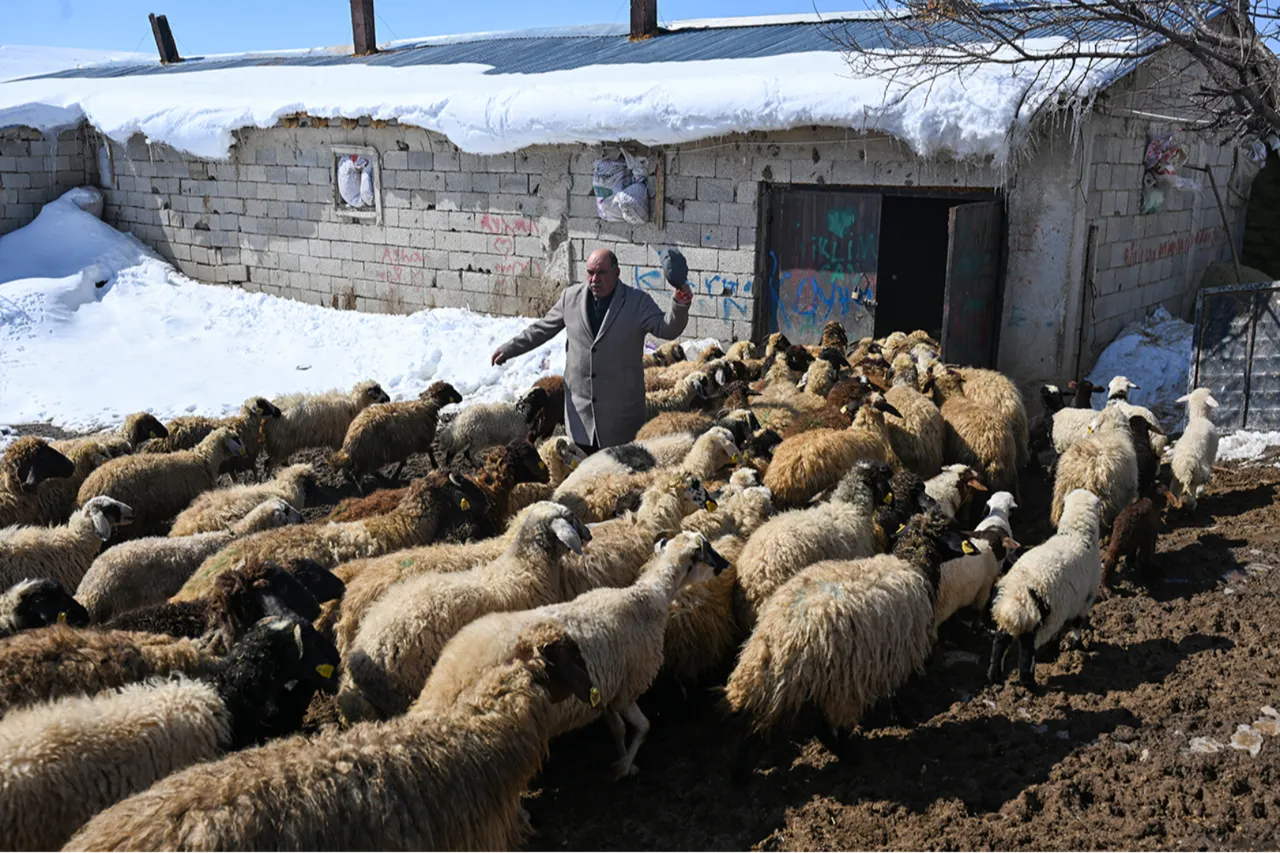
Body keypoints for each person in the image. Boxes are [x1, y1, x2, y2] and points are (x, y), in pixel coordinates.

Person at [491, 248, 693, 451]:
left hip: (621, 419)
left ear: (616, 273)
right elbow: (542, 329)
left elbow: (667, 329)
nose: (595, 279)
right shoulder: (570, 298)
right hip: (580, 418)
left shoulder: (637, 302)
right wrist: (510, 349)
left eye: (601, 273)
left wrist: (679, 304)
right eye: (590, 272)